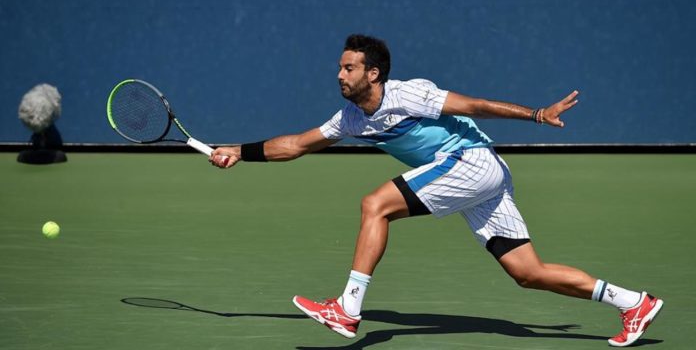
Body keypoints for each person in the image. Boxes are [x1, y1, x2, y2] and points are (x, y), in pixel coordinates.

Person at [210, 34, 663, 347]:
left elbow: (476, 105)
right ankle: (634, 303)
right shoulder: (350, 119)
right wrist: (238, 151)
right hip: (481, 178)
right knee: (527, 272)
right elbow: (295, 145)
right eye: (339, 67)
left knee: (375, 204)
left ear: (374, 74)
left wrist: (538, 115)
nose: (340, 74)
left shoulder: (409, 95)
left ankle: (348, 308)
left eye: (349, 68)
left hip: (470, 162)